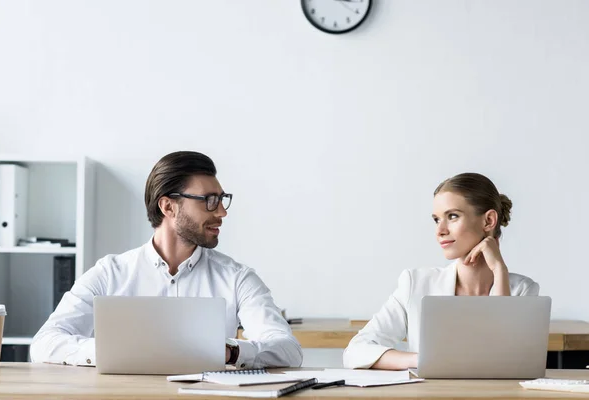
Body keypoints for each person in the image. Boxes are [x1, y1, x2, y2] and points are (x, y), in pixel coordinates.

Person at [30, 151, 302, 369]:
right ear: (168, 206)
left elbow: (287, 350)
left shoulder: (237, 278)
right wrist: (108, 350)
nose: (221, 212)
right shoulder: (109, 274)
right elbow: (44, 343)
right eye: (209, 200)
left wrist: (230, 352)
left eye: (222, 200)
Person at [343, 172, 539, 370]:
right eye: (436, 219)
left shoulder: (522, 291)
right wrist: (423, 360)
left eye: (452, 216)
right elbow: (355, 352)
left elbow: (507, 363)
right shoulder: (416, 284)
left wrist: (499, 270)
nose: (440, 231)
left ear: (488, 220)